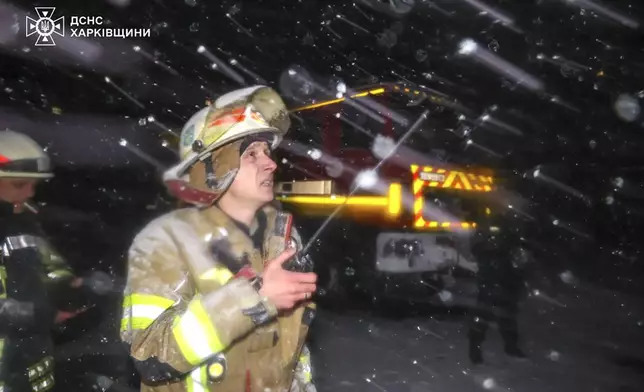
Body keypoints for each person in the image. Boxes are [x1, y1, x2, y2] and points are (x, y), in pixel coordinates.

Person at [120, 86, 318, 392]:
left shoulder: (282, 238)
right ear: (210, 169)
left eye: (267, 152)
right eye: (252, 153)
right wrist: (255, 297)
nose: (271, 163)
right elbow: (151, 356)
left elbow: (291, 354)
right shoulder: (165, 242)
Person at [0, 130, 109, 392]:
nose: (28, 194)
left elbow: (50, 268)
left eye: (33, 186)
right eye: (19, 185)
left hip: (31, 366)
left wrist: (73, 288)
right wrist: (40, 315)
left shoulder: (23, 222)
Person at [467, 215, 529, 365]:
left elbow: (520, 266)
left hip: (506, 286)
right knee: (481, 320)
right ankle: (475, 351)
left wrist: (518, 285)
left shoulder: (511, 242)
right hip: (490, 285)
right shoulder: (485, 242)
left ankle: (511, 347)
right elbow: (477, 250)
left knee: (507, 319)